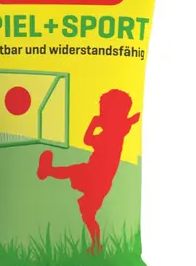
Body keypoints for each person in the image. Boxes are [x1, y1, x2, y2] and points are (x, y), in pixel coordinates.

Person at [37, 89, 140, 253]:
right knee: (86, 210)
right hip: (95, 174)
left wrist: (94, 124)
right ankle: (47, 170)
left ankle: (97, 246)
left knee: (87, 210)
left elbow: (88, 139)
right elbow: (127, 123)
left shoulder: (113, 134)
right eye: (102, 111)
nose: (101, 115)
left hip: (99, 179)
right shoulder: (116, 130)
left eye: (105, 112)